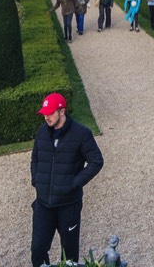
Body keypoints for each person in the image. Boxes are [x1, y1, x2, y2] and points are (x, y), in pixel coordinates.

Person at [30, 92, 103, 267]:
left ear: (62, 111)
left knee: (69, 254)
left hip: (68, 205)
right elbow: (35, 158)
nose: (46, 117)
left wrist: (73, 183)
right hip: (43, 204)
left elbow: (96, 161)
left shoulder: (81, 134)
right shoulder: (42, 132)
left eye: (50, 113)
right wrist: (36, 180)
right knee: (38, 249)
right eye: (44, 113)